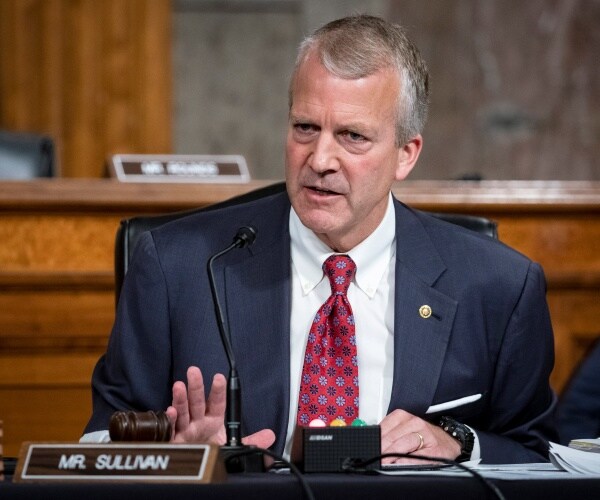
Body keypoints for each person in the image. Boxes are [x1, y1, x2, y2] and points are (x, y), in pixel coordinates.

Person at [83, 14, 558, 464]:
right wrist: (174, 456)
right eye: (305, 128)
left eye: (352, 136)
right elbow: (101, 437)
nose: (320, 159)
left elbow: (537, 451)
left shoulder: (498, 286)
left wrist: (458, 440)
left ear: (405, 155)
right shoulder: (176, 266)